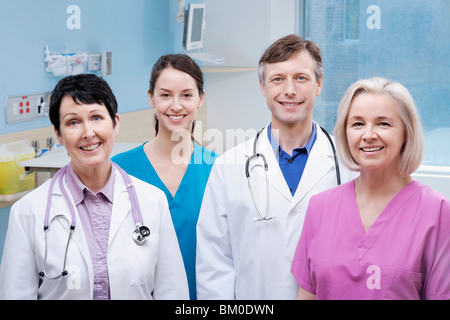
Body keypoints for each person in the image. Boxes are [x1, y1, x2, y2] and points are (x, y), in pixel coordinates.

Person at [195, 34, 356, 300]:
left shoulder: (349, 164)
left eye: (301, 78)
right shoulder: (229, 166)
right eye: (278, 79)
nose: (289, 90)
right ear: (263, 87)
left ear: (319, 84)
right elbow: (214, 262)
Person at [0, 74, 188, 300]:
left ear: (115, 123)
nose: (88, 132)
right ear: (58, 134)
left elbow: (173, 292)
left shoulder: (152, 201)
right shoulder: (27, 212)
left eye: (96, 117)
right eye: (73, 122)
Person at [291, 77, 450, 300]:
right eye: (357, 124)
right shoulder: (320, 208)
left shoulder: (436, 211)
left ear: (406, 132)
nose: (368, 135)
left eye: (383, 123)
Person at [112, 54, 217, 300]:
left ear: (201, 98)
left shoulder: (218, 169)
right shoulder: (119, 170)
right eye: (166, 94)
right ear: (151, 97)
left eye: (187, 95)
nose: (176, 105)